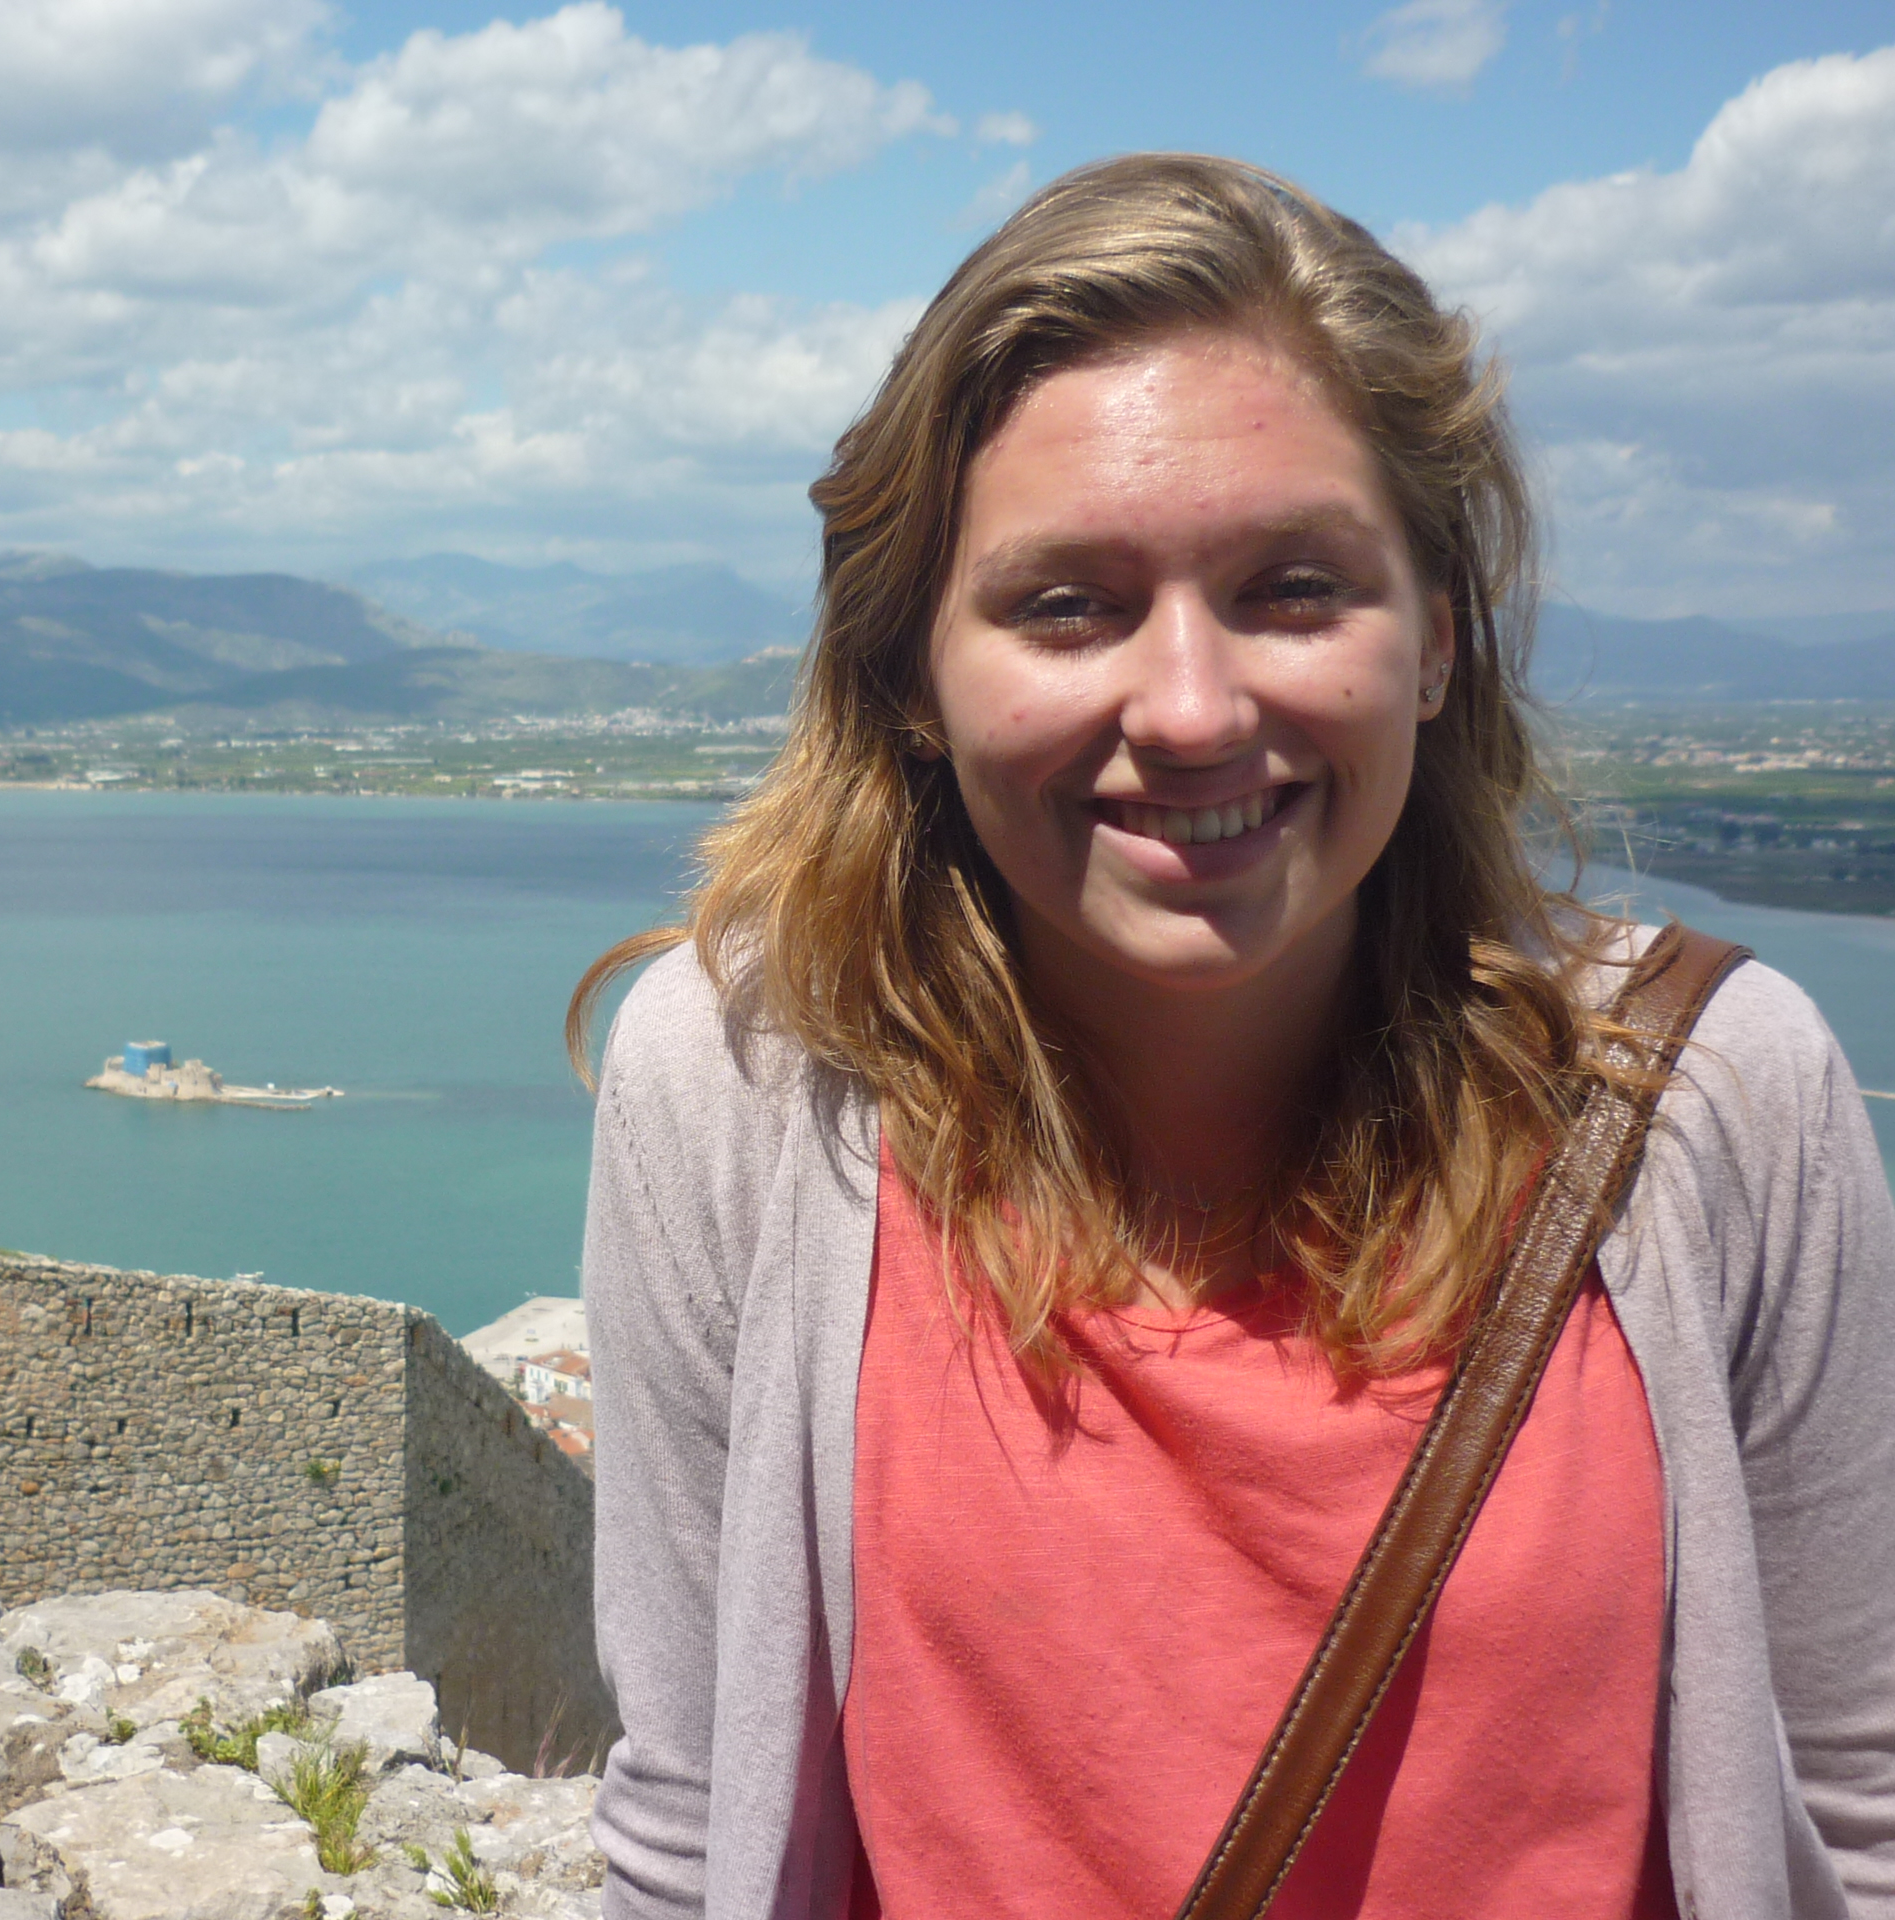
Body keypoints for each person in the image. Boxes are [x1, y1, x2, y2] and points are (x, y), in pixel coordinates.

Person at [568, 154, 1895, 1920]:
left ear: (1438, 637)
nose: (1192, 710)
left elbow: (1856, 1810)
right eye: (1067, 604)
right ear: (910, 675)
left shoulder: (1711, 1094)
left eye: (1293, 587)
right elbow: (693, 1817)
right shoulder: (749, 1084)